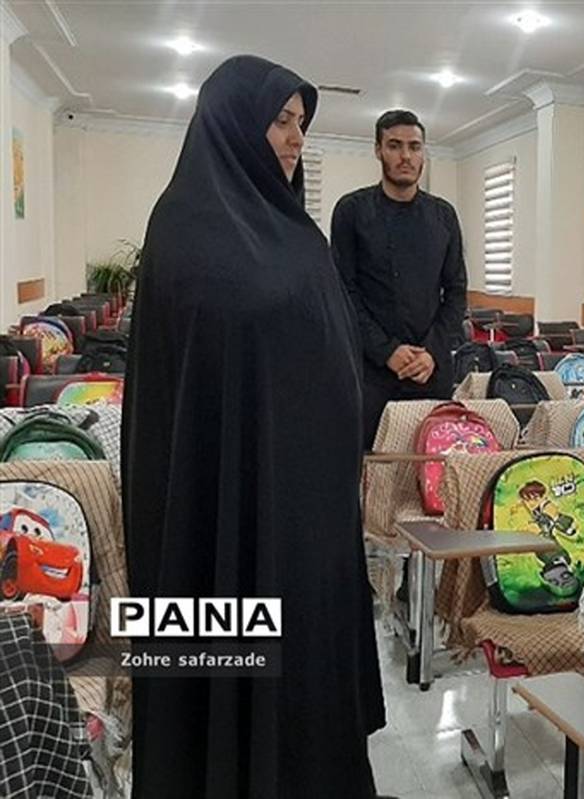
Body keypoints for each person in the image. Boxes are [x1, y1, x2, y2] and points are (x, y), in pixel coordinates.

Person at [122, 55, 385, 798]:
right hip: (217, 504)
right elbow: (189, 391)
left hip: (307, 511)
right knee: (225, 677)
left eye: (301, 122)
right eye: (280, 120)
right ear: (232, 123)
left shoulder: (297, 233)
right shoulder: (183, 231)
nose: (296, 137)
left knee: (303, 680)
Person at [331, 109, 468, 447]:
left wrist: (431, 353)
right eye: (394, 145)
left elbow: (455, 292)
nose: (406, 156)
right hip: (371, 373)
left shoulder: (444, 216)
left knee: (432, 469)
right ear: (378, 150)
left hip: (430, 372)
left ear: (423, 153)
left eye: (414, 146)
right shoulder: (351, 211)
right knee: (371, 465)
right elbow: (344, 293)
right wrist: (386, 351)